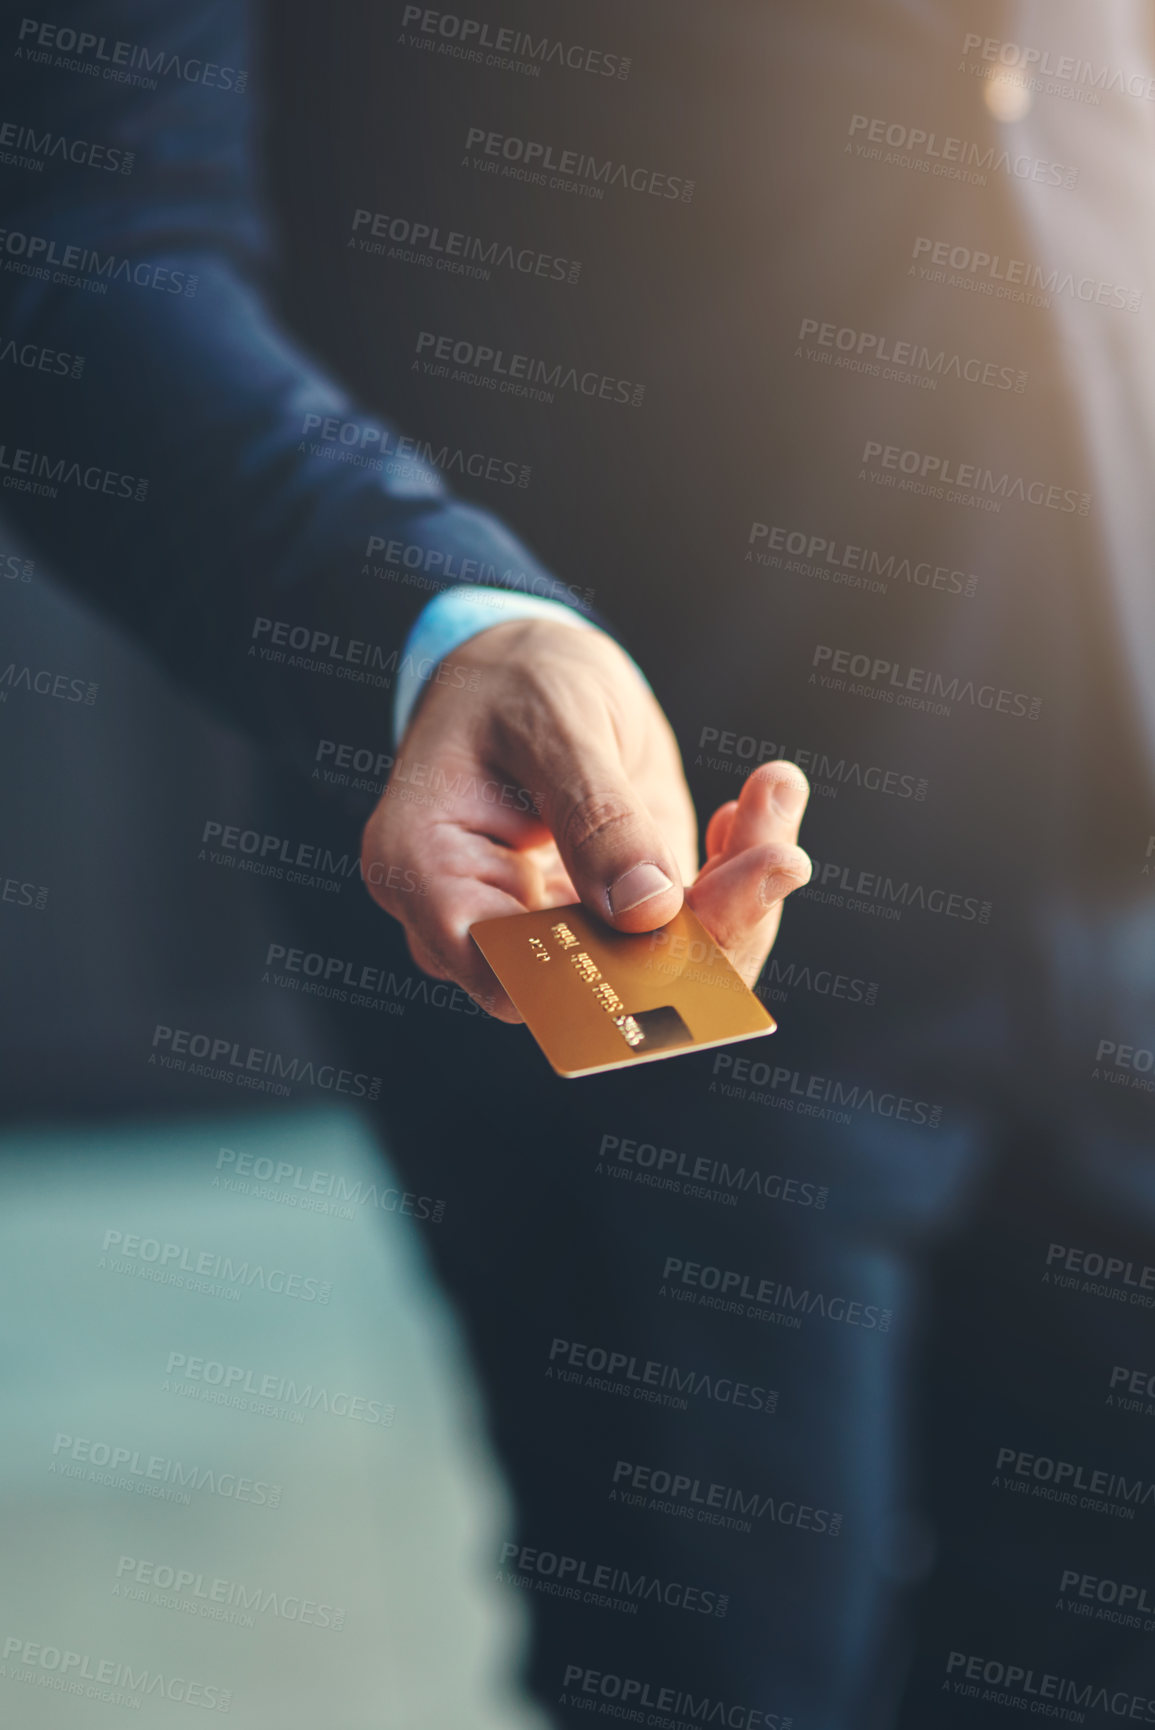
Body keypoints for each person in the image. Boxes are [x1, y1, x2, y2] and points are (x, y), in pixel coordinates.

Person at [4, 3, 1155, 1727]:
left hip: (1121, 841)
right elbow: (78, 230)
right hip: (634, 897)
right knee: (724, 1670)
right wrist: (426, 605)